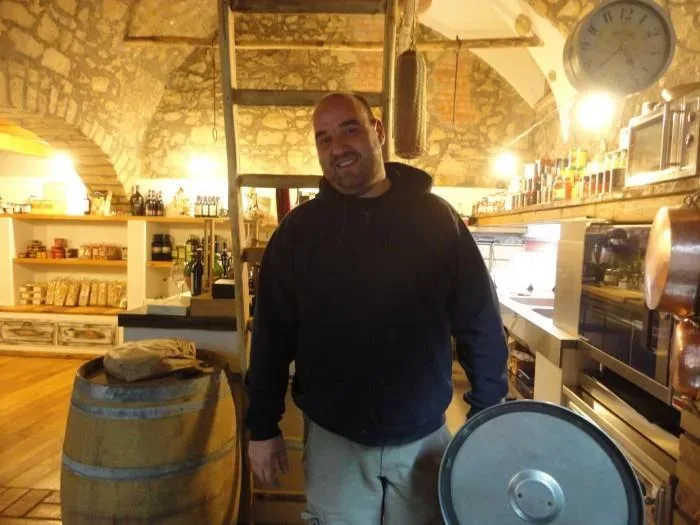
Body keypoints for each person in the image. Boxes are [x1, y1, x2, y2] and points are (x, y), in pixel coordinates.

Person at [245, 91, 508, 524]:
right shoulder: (299, 232)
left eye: (349, 129)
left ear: (378, 130)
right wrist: (262, 426)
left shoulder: (437, 220)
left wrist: (486, 416)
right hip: (334, 439)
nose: (337, 148)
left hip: (423, 437)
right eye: (324, 139)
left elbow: (479, 320)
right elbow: (272, 336)